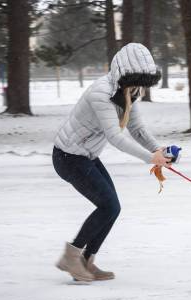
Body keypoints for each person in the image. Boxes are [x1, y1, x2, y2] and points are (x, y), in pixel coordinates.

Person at [52, 43, 172, 283]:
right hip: (68, 158)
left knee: (112, 208)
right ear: (122, 73)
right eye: (135, 79)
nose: (138, 86)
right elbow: (115, 137)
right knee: (109, 206)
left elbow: (136, 129)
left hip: (86, 155)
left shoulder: (129, 91)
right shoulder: (101, 93)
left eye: (142, 80)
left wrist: (157, 149)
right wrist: (151, 158)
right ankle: (71, 257)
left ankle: (86, 261)